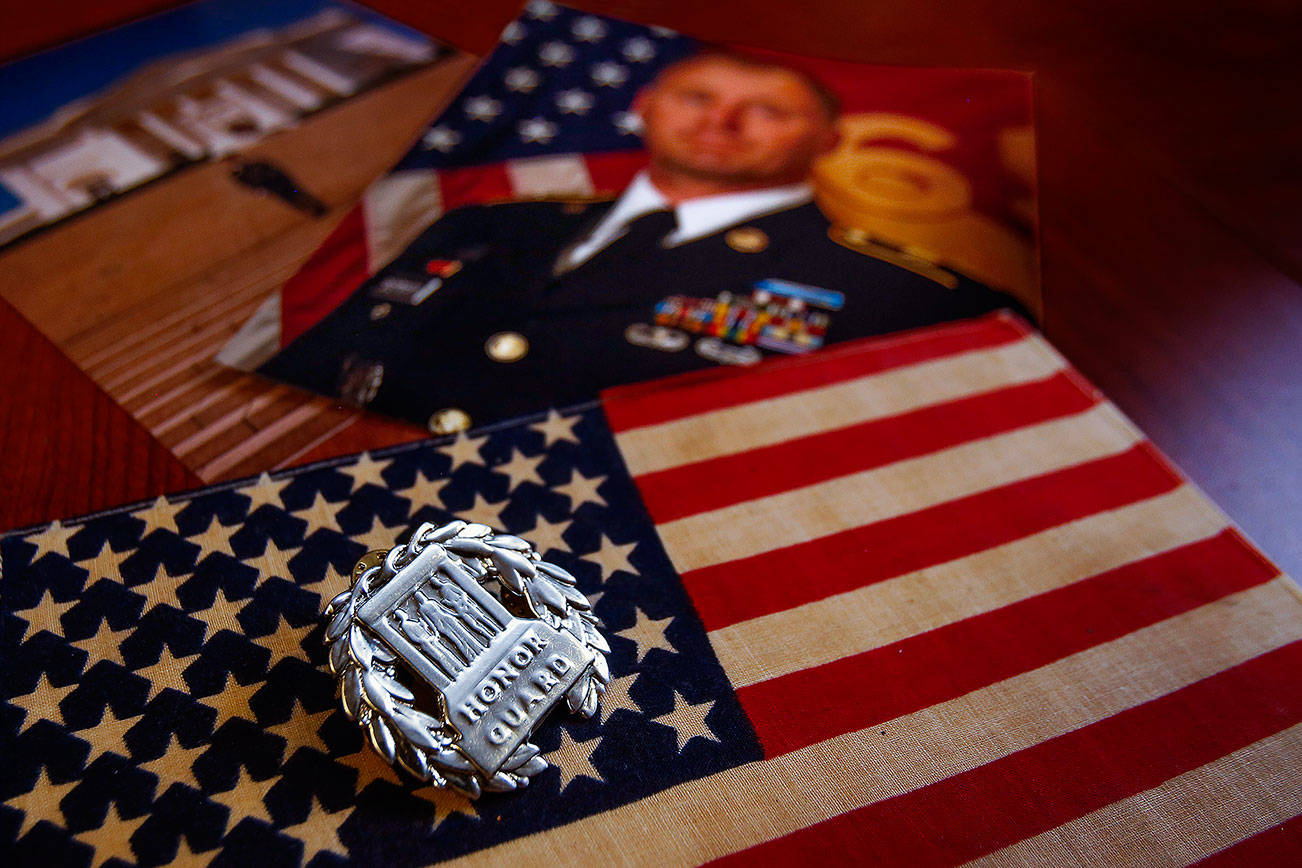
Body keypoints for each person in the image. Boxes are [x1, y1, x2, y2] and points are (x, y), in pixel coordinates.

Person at [260, 50, 1031, 433]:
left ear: (830, 140)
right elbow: (323, 364)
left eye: (766, 111)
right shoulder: (489, 224)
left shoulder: (905, 294)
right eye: (698, 96)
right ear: (646, 107)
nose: (721, 121)